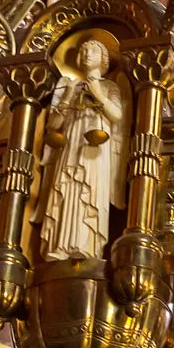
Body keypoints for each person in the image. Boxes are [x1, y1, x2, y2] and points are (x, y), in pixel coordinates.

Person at [36, 37, 126, 260]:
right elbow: (53, 125)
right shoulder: (69, 85)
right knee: (67, 188)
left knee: (89, 189)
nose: (87, 54)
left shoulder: (110, 86)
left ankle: (86, 247)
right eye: (83, 50)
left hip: (96, 147)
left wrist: (98, 94)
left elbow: (117, 115)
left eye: (93, 51)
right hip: (70, 144)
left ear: (103, 60)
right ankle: (60, 246)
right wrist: (67, 96)